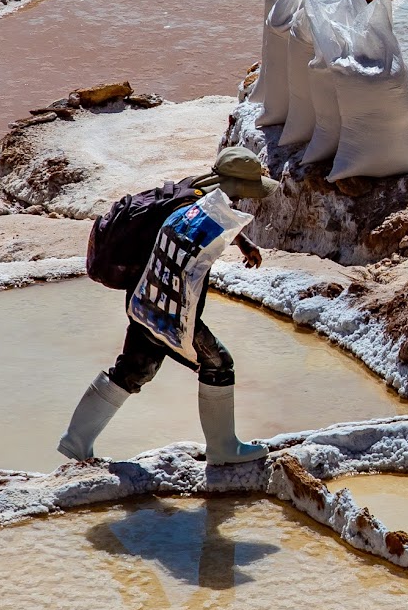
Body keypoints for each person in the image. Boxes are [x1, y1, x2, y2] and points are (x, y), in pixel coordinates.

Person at [57, 146, 278, 465]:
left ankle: (75, 440)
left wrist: (242, 242)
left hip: (143, 294)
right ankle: (223, 449)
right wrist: (185, 328)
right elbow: (185, 273)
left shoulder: (194, 189)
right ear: (240, 187)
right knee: (218, 364)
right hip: (165, 304)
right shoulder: (203, 213)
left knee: (134, 367)